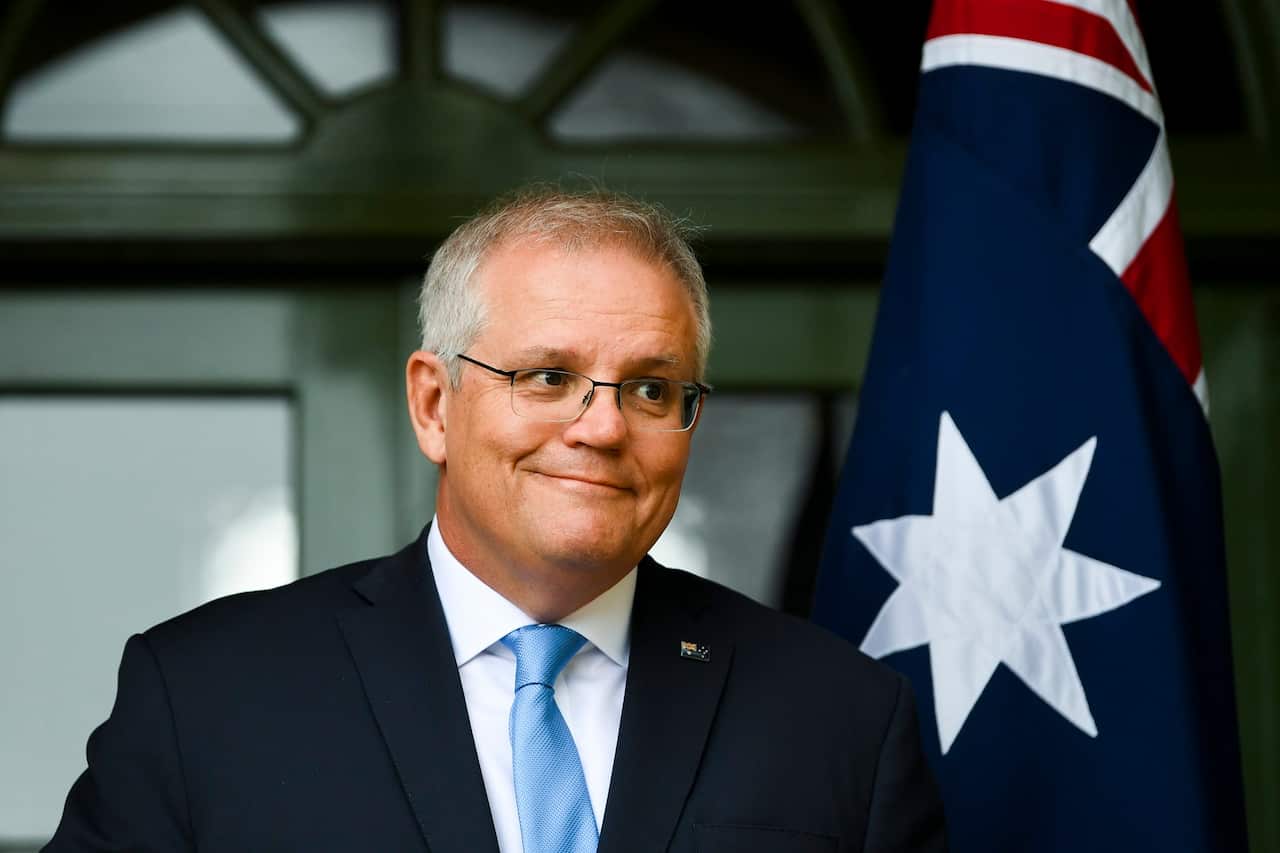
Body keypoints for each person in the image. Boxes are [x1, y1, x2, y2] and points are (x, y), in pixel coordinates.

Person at [45, 186, 946, 852]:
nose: (600, 426)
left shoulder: (841, 717)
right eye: (548, 376)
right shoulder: (205, 697)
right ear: (435, 405)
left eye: (649, 386)